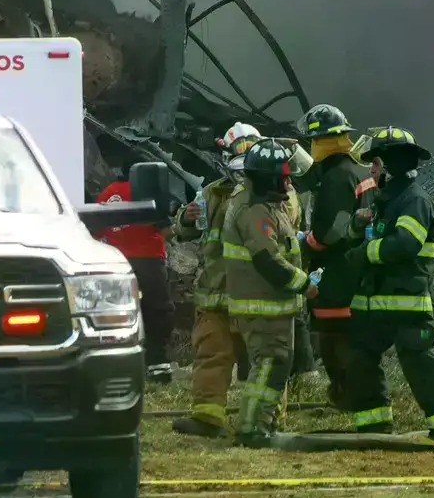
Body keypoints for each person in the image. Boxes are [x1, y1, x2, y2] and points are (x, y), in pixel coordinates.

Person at [346, 126, 434, 442]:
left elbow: (404, 245)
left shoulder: (415, 201)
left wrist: (363, 254)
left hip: (406, 302)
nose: (371, 170)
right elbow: (372, 234)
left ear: (391, 164)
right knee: (359, 354)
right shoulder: (385, 200)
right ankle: (374, 425)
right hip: (375, 301)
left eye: (375, 163)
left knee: (419, 360)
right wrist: (358, 226)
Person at [171, 122, 260, 440]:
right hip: (217, 291)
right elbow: (185, 231)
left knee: (265, 361)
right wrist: (187, 218)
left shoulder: (274, 190)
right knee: (211, 353)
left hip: (256, 293)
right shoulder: (212, 191)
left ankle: (261, 424)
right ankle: (208, 418)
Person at [220, 137, 310, 447]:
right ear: (268, 177)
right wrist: (305, 284)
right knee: (268, 365)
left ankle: (262, 424)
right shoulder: (253, 210)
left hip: (271, 306)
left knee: (274, 365)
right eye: (283, 176)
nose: (287, 181)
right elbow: (268, 261)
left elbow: (283, 242)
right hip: (262, 307)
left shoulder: (269, 204)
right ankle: (252, 430)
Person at [296, 103, 373, 413]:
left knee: (333, 339)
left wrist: (305, 245)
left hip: (338, 270)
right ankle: (353, 395)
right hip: (358, 266)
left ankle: (346, 395)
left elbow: (330, 231)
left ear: (321, 142)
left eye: (313, 141)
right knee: (351, 337)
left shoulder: (335, 178)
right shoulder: (359, 169)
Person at [91, 176, 175, 381]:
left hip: (116, 264)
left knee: (115, 315)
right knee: (157, 312)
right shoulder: (149, 193)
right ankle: (157, 365)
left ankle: (117, 365)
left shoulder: (108, 193)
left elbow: (93, 231)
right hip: (149, 263)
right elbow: (167, 232)